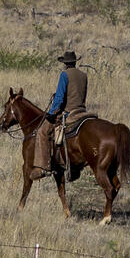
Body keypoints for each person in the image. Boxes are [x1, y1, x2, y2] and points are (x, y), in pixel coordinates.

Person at [31, 50, 87, 179]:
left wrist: (51, 113)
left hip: (68, 113)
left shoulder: (64, 75)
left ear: (65, 64)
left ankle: (43, 167)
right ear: (75, 62)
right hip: (82, 112)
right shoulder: (83, 75)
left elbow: (60, 98)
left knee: (42, 132)